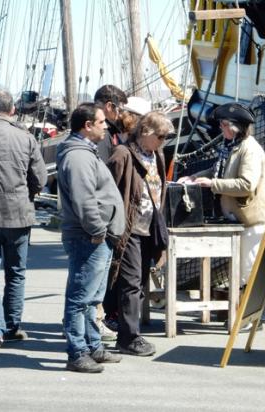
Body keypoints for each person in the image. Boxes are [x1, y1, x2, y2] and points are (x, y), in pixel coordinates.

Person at [177, 102, 265, 330]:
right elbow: (217, 170)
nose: (220, 128)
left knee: (246, 271)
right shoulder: (232, 146)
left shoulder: (251, 149)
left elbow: (246, 184)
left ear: (235, 127)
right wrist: (194, 178)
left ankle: (249, 318)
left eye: (223, 124)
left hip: (252, 220)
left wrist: (213, 185)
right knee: (238, 270)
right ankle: (244, 316)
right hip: (237, 219)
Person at [56, 103, 125, 373]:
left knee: (91, 298)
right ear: (87, 125)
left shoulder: (85, 153)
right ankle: (77, 352)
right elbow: (84, 199)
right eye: (101, 122)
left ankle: (93, 346)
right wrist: (98, 230)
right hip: (89, 237)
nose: (105, 126)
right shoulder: (78, 157)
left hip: (96, 237)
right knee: (79, 298)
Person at [0, 88, 47, 352]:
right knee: (16, 274)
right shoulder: (26, 138)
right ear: (13, 110)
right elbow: (40, 179)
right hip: (19, 215)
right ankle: (11, 325)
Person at [106, 110, 173, 356]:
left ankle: (125, 328)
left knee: (140, 281)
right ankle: (128, 337)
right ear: (146, 133)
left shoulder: (157, 154)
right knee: (130, 283)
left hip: (150, 226)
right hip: (130, 228)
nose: (164, 141)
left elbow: (159, 190)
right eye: (161, 135)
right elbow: (109, 189)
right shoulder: (123, 154)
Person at [102, 96, 152, 333]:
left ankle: (124, 324)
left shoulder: (150, 152)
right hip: (124, 223)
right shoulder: (120, 149)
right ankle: (126, 330)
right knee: (124, 277)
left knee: (134, 277)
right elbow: (109, 185)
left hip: (143, 222)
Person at [93, 84, 128, 340]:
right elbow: (104, 176)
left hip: (102, 214)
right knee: (96, 272)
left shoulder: (107, 134)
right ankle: (95, 321)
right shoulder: (104, 137)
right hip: (102, 216)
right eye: (119, 108)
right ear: (109, 106)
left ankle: (95, 319)